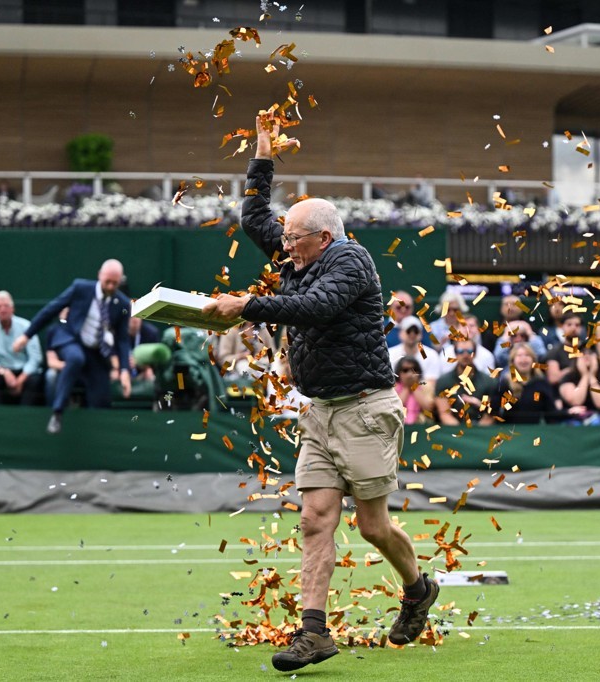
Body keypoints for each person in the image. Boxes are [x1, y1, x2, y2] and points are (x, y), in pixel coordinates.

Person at [203, 114, 439, 672]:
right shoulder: (295, 252)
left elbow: (315, 308)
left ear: (323, 238)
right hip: (320, 412)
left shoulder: (350, 261)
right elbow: (254, 215)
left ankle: (417, 588)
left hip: (364, 408)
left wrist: (246, 305)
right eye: (284, 238)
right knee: (314, 518)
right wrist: (263, 156)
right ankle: (314, 634)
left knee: (373, 525)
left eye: (294, 238)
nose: (283, 245)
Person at [13, 259, 132, 433]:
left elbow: (122, 340)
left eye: (115, 283)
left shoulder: (122, 304)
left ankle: (98, 435)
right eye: (108, 281)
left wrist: (124, 371)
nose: (111, 286)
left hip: (96, 353)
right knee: (76, 358)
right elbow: (51, 309)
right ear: (100, 275)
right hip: (71, 340)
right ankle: (57, 413)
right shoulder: (80, 288)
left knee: (102, 397)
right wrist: (27, 335)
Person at [0, 291, 43, 405]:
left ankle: (26, 417)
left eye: (6, 306)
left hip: (24, 371)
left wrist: (21, 379)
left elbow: (35, 358)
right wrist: (4, 372)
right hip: (3, 372)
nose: (3, 310)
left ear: (12, 309)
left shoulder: (27, 326)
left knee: (34, 380)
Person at [434, 338, 496, 426]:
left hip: (482, 431)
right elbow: (445, 414)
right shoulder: (444, 381)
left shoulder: (489, 382)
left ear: (475, 354)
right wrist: (462, 433)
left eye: (469, 351)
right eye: (460, 351)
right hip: (453, 431)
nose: (465, 355)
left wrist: (477, 432)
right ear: (455, 353)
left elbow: (490, 415)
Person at [491, 342, 556, 424]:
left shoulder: (542, 384)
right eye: (519, 356)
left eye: (527, 355)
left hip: (535, 432)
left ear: (533, 360)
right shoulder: (504, 384)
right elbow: (493, 412)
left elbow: (552, 414)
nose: (523, 359)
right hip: (509, 433)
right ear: (513, 361)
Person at [557, 351, 600, 425]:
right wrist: (585, 375)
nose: (587, 356)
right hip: (573, 419)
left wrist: (592, 375)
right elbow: (576, 401)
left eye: (590, 353)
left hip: (599, 419)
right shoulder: (568, 378)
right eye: (583, 353)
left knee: (598, 422)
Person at [388, 315, 441, 381]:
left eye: (416, 331)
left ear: (421, 334)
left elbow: (431, 382)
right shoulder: (390, 354)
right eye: (408, 331)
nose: (412, 334)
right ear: (400, 333)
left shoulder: (431, 355)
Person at [544, 312, 584, 387]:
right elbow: (553, 378)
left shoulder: (588, 350)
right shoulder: (555, 351)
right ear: (561, 327)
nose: (573, 328)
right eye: (569, 324)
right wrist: (576, 368)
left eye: (577, 325)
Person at [393, 357, 434, 425]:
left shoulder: (426, 387)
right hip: (398, 426)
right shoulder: (393, 388)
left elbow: (428, 408)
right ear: (398, 372)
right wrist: (406, 388)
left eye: (414, 370)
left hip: (422, 425)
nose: (410, 374)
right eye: (405, 370)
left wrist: (414, 387)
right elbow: (395, 409)